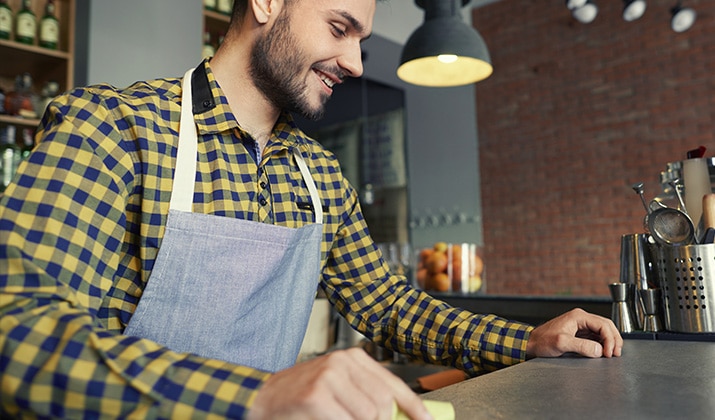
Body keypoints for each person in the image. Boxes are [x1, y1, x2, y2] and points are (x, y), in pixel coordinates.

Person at [0, 0, 622, 418]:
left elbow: (387, 306)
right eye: (338, 28)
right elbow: (17, 325)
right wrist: (261, 397)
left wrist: (526, 341)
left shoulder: (318, 173)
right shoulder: (115, 128)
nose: (354, 62)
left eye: (362, 41)